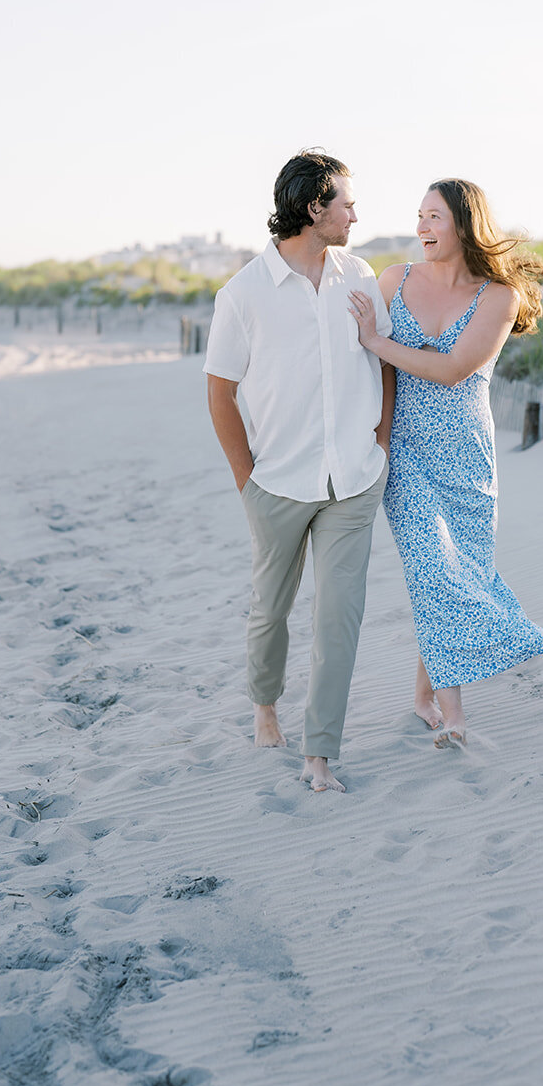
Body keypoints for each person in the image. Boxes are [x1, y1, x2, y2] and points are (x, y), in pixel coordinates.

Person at [204, 150, 394, 792]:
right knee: (271, 610)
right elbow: (220, 392)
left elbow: (384, 363)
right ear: (314, 208)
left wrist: (382, 440)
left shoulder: (359, 274)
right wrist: (246, 481)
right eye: (345, 203)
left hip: (355, 481)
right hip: (277, 484)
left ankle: (320, 753)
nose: (354, 214)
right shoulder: (244, 294)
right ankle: (264, 707)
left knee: (339, 616)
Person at [348, 177, 543, 747]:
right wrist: (380, 446)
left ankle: (422, 695)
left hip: (468, 459)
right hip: (409, 455)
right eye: (418, 216)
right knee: (434, 570)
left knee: (452, 573)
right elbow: (386, 377)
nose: (421, 227)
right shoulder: (395, 280)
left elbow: (453, 369)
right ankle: (456, 715)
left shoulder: (498, 297)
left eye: (433, 217)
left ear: (465, 224)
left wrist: (375, 340)